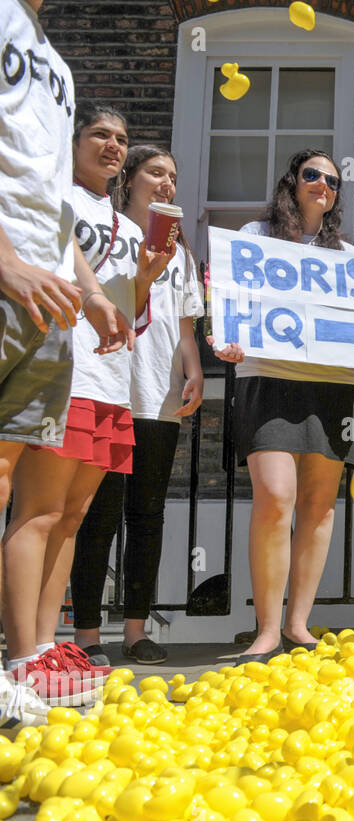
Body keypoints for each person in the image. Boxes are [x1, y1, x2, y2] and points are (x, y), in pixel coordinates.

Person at [212, 149, 354, 665]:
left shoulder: (349, 257)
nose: (323, 185)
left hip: (332, 386)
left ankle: (297, 625)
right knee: (275, 496)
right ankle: (266, 629)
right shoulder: (255, 238)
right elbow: (231, 306)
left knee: (319, 507)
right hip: (267, 379)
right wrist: (226, 339)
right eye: (312, 175)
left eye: (333, 181)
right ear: (292, 182)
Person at [1, 0, 128, 725]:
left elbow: (51, 198)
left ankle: (21, 667)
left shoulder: (56, 63)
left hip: (50, 293)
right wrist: (7, 261)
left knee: (21, 488)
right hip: (9, 276)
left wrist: (91, 290)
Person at [71, 144, 205, 666]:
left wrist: (193, 370)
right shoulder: (108, 235)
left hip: (159, 393)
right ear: (129, 179)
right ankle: (85, 634)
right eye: (156, 172)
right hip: (109, 387)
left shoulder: (182, 253)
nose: (167, 183)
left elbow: (185, 329)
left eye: (173, 176)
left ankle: (134, 630)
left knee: (147, 515)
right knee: (97, 516)